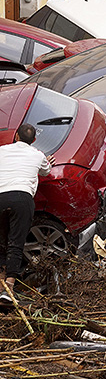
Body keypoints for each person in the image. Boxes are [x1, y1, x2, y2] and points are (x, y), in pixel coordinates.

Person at [0, 123, 55, 304]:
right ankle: (8, 290)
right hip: (22, 199)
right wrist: (46, 160)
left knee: (1, 241)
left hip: (1, 196)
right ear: (34, 140)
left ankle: (1, 285)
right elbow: (46, 171)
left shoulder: (2, 151)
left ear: (16, 136)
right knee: (15, 243)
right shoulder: (38, 155)